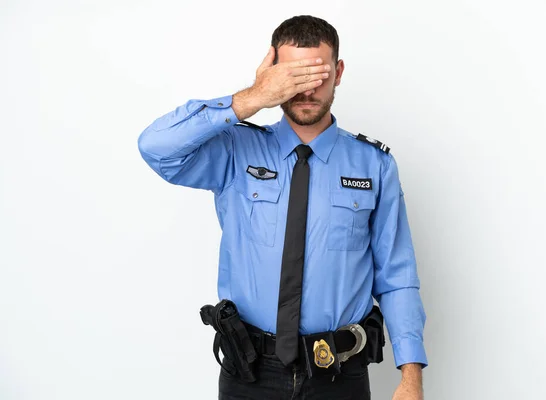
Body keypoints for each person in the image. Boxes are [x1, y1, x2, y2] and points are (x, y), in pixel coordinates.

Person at [138, 14, 427, 400]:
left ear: (338, 72)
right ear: (273, 74)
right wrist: (253, 97)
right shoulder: (234, 150)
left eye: (318, 75)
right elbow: (155, 148)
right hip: (249, 374)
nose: (306, 90)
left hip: (339, 376)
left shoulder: (374, 166)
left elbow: (397, 276)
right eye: (293, 77)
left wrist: (410, 378)